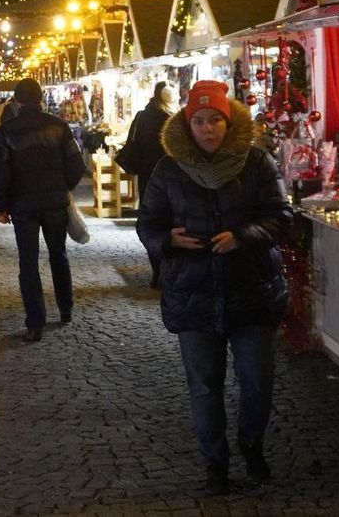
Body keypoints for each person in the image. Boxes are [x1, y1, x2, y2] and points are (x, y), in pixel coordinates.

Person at [136, 80, 292, 494]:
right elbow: (147, 222)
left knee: (257, 381)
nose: (208, 129)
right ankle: (215, 463)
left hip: (252, 289)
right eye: (200, 121)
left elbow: (281, 216)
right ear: (188, 125)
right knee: (204, 387)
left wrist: (245, 235)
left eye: (216, 120)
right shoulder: (168, 169)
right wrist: (167, 240)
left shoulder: (255, 162)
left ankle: (252, 444)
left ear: (228, 122)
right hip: (193, 292)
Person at [0, 77, 86, 343]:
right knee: (59, 254)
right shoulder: (59, 126)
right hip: (55, 202)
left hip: (23, 206)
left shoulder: (8, 130)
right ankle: (65, 309)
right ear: (41, 97)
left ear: (17, 100)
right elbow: (77, 165)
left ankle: (35, 323)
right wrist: (61, 185)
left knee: (28, 262)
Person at [125, 81, 177, 287]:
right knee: (169, 220)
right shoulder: (170, 119)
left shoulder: (142, 116)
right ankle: (166, 270)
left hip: (148, 176)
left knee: (152, 221)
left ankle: (157, 271)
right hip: (169, 176)